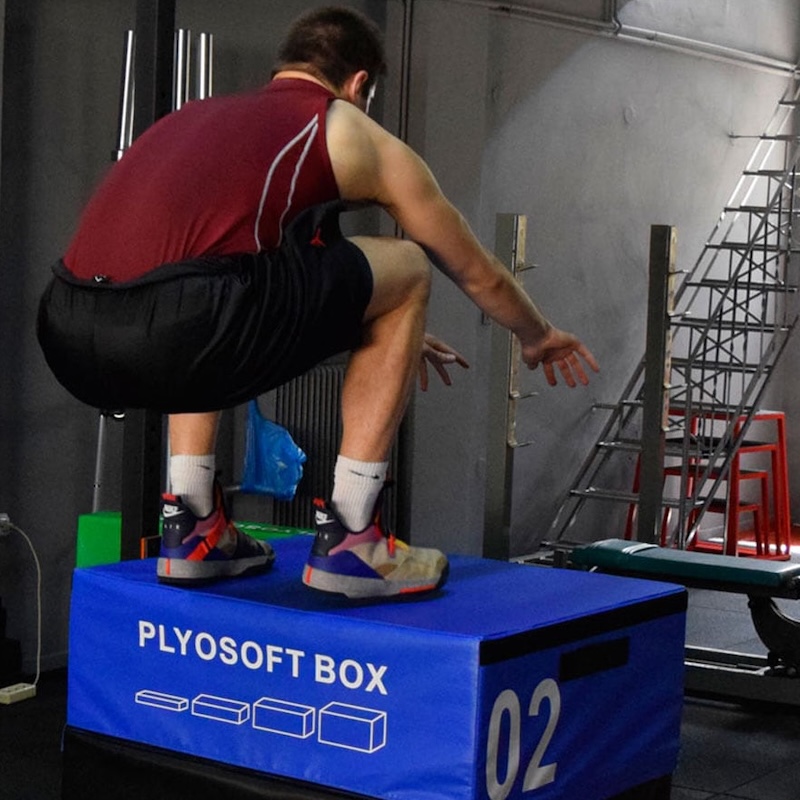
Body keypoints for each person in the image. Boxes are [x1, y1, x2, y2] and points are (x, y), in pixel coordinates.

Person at [37, 6, 598, 599]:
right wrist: (537, 334)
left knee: (217, 273)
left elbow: (246, 271)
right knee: (407, 266)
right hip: (187, 322)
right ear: (359, 84)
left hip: (67, 328)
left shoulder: (197, 116)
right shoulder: (343, 125)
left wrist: (372, 327)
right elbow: (476, 273)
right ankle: (354, 538)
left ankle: (194, 527)